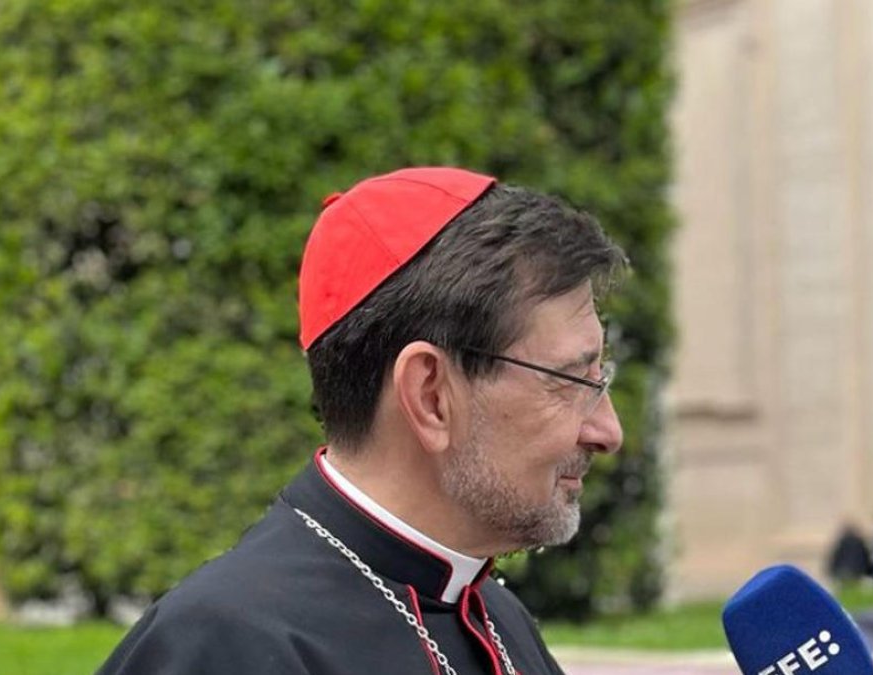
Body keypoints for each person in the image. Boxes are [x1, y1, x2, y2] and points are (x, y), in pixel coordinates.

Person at [97, 167, 627, 674]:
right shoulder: (225, 646)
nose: (608, 431)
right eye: (571, 380)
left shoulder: (495, 616)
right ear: (430, 395)